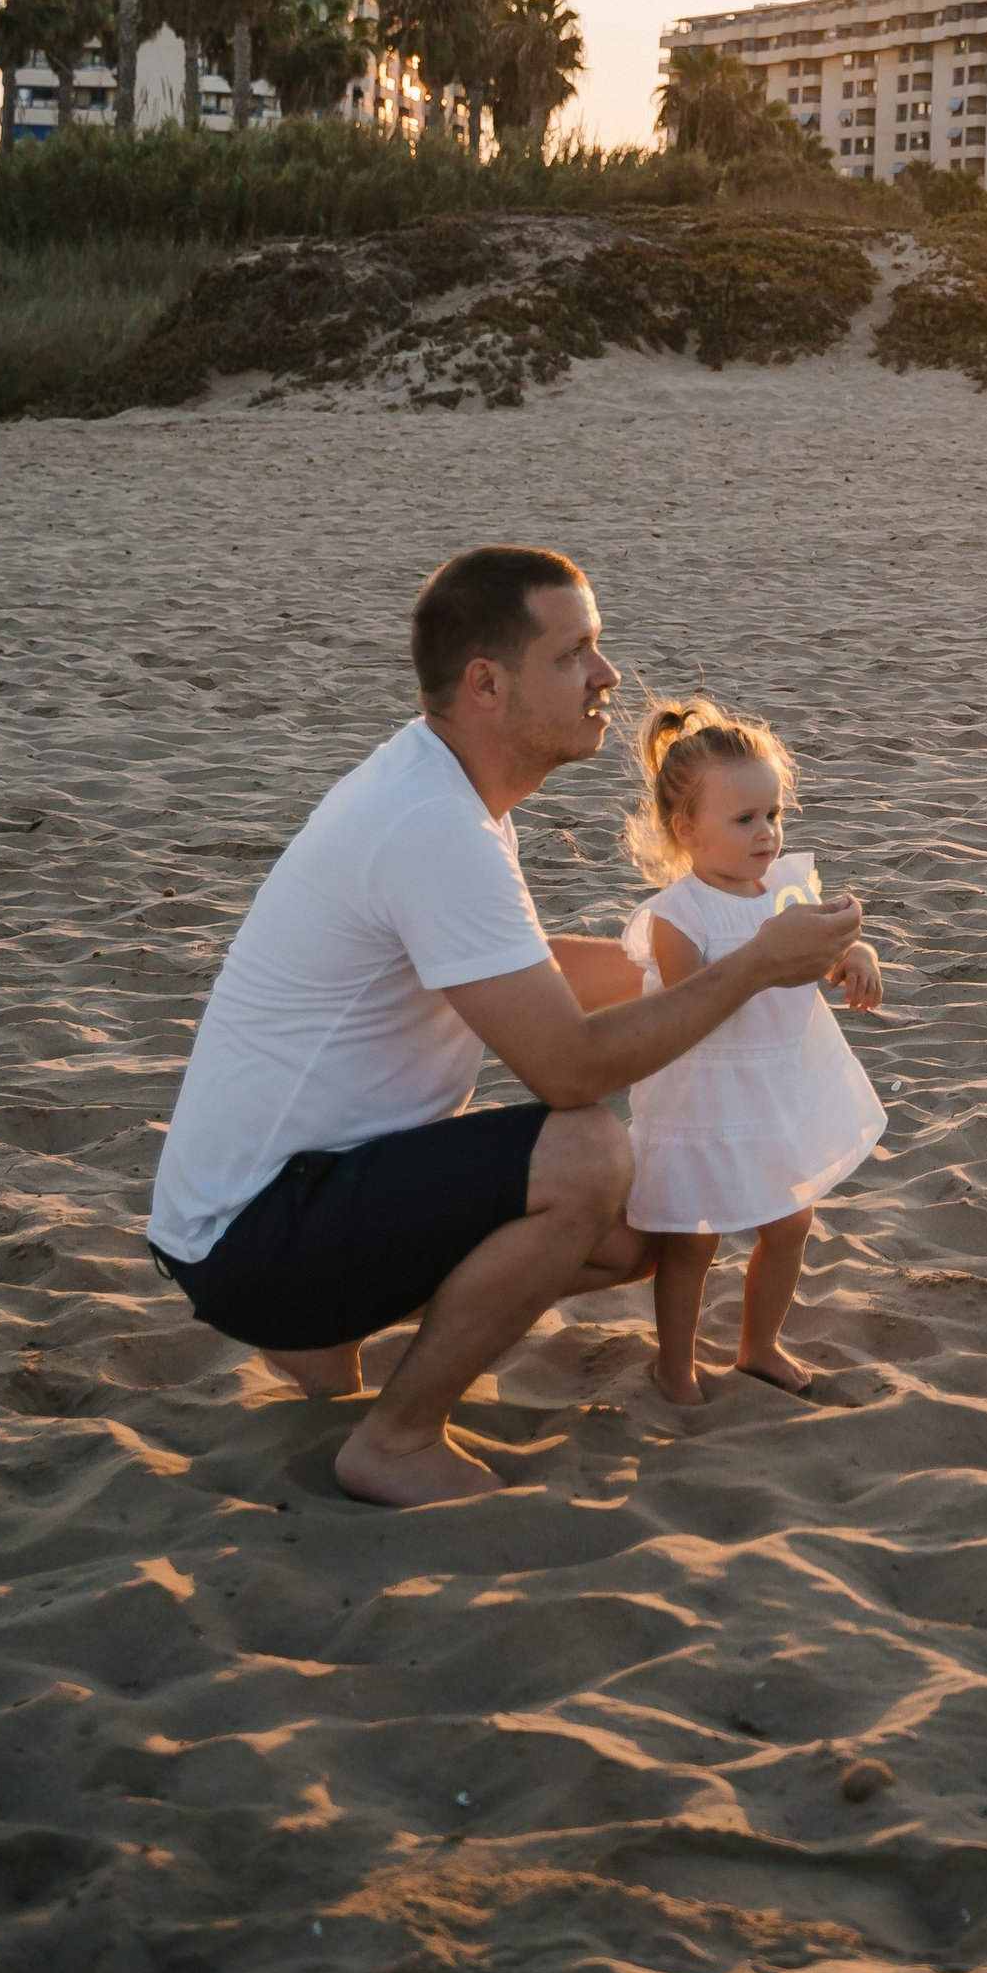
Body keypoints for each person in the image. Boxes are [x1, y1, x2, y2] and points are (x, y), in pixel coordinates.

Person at [145, 544, 867, 1508]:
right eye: (575, 654)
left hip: (275, 1207)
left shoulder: (444, 794)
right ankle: (394, 1441)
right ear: (487, 682)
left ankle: (318, 1332)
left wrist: (717, 943)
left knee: (632, 1232)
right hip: (253, 1231)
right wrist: (749, 969)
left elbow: (522, 970)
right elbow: (569, 1072)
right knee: (590, 1157)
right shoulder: (432, 827)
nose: (607, 676)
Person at [622, 701, 887, 1405]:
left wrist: (855, 954)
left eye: (773, 814)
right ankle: (673, 1364)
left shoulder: (789, 888)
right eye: (744, 820)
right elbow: (689, 1008)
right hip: (704, 1099)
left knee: (791, 1220)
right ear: (687, 829)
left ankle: (758, 1344)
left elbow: (822, 954)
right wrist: (762, 959)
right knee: (692, 1241)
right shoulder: (678, 915)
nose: (766, 833)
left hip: (779, 1087)